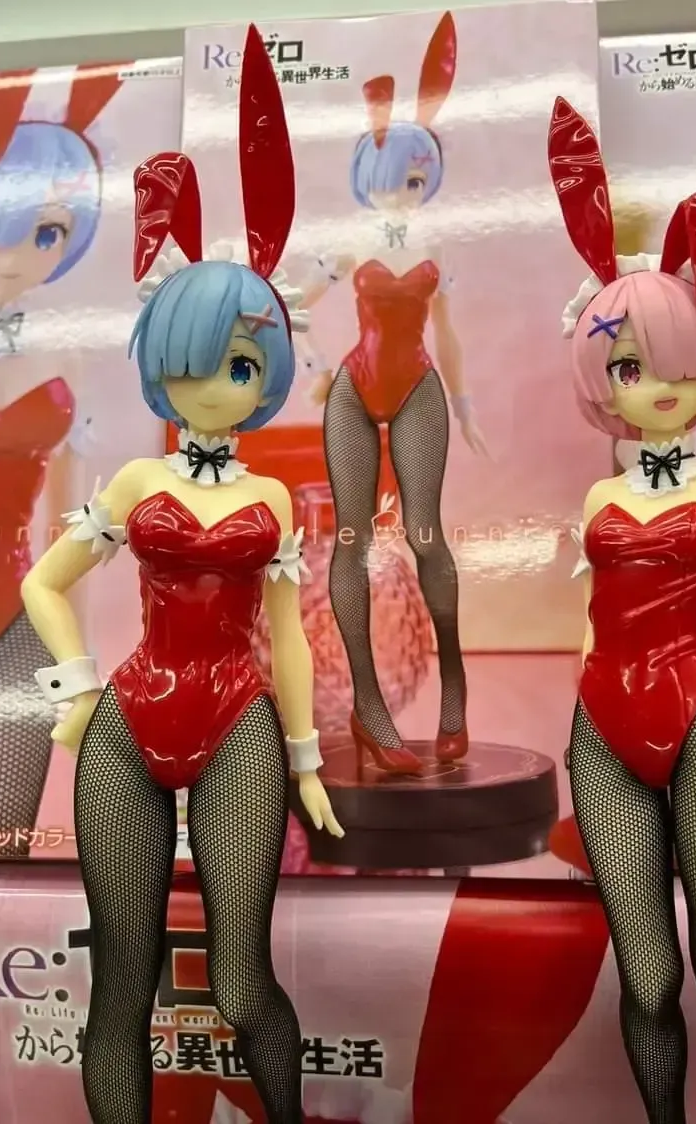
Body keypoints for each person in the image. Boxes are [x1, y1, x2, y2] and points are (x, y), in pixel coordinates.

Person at [20, 27, 342, 1123]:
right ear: (163, 362)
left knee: (242, 980)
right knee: (122, 980)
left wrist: (305, 759)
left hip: (238, 716)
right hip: (129, 718)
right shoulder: (133, 480)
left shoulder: (273, 500)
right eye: (197, 360)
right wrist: (75, 689)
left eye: (243, 364)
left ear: (269, 371)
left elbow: (287, 634)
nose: (218, 383)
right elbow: (44, 583)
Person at [551, 96, 696, 1123]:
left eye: (673, 360)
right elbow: (593, 621)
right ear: (602, 378)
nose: (651, 384)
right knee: (645, 977)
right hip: (602, 724)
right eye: (627, 365)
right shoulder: (599, 497)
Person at [302, 12, 486, 774]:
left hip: (417, 386)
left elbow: (449, 333)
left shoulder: (438, 242)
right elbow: (291, 302)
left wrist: (464, 406)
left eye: (411, 179)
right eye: (387, 178)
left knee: (424, 534)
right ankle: (368, 711)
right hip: (354, 385)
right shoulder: (350, 241)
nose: (400, 192)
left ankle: (454, 690)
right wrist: (312, 365)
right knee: (349, 539)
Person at [0, 63, 121, 856]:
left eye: (47, 233)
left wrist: (82, 652)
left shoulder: (63, 352)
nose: (18, 256)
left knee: (6, 827)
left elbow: (77, 528)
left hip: (22, 610)